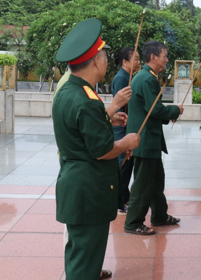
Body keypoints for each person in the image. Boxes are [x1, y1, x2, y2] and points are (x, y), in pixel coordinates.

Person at [53, 18, 140, 280]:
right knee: (85, 262)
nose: (106, 61)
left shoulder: (68, 91)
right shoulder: (86, 100)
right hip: (88, 191)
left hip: (76, 186)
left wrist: (106, 118)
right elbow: (101, 150)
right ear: (94, 62)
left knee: (79, 255)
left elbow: (79, 130)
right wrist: (126, 143)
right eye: (103, 56)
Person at [124, 41, 184, 235]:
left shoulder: (144, 77)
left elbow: (148, 110)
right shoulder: (147, 79)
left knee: (157, 180)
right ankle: (133, 222)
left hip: (148, 139)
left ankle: (160, 215)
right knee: (143, 184)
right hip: (145, 140)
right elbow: (154, 109)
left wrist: (169, 114)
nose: (167, 60)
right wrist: (176, 110)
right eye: (165, 56)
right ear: (153, 57)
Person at [112, 47, 142, 215]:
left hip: (127, 126)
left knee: (127, 164)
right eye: (135, 59)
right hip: (122, 126)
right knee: (123, 165)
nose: (138, 62)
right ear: (125, 62)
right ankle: (119, 201)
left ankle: (125, 195)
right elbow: (121, 105)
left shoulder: (129, 77)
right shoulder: (121, 78)